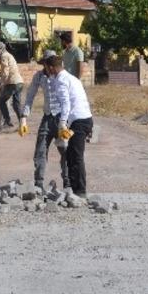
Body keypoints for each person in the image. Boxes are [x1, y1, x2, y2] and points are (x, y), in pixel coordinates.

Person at [42, 53, 94, 197]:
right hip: (84, 119)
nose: (45, 71)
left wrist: (62, 124)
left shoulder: (62, 81)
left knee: (76, 157)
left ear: (51, 68)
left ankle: (80, 192)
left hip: (79, 121)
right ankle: (73, 190)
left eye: (46, 67)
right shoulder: (72, 78)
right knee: (71, 156)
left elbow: (66, 104)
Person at [22, 50, 68, 189]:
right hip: (48, 117)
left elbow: (69, 100)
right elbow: (30, 95)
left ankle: (68, 183)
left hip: (62, 118)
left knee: (66, 151)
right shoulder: (39, 76)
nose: (47, 67)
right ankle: (39, 184)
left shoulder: (62, 76)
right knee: (40, 151)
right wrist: (24, 117)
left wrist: (66, 122)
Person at [0, 41, 24, 131]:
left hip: (12, 83)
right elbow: (7, 69)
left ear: (1, 49)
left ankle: (7, 121)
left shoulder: (4, 56)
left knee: (1, 101)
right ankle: (22, 123)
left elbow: (5, 72)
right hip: (19, 82)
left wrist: (0, 83)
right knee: (16, 104)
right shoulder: (8, 55)